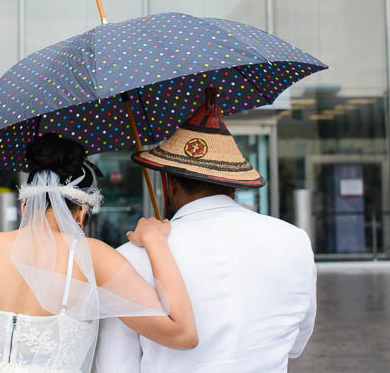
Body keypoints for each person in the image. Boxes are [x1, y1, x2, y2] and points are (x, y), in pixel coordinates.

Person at [0, 133, 198, 373]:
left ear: (25, 207)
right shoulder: (93, 257)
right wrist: (156, 241)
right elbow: (182, 333)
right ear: (80, 213)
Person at [94, 87, 317, 373]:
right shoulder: (294, 240)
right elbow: (296, 343)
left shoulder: (132, 257)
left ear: (168, 184)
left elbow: (116, 366)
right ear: (234, 184)